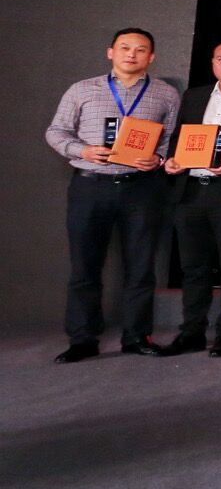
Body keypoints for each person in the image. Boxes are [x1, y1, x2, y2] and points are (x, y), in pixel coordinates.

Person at [46, 26, 182, 362]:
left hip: (141, 189)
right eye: (124, 48)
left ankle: (136, 337)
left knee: (141, 267)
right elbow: (56, 131)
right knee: (85, 266)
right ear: (111, 52)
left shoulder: (165, 94)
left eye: (140, 49)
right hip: (91, 185)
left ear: (151, 57)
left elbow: (170, 140)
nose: (131, 54)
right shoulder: (82, 89)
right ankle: (82, 339)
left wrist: (158, 159)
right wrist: (82, 150)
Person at [162, 37, 221, 356]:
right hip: (190, 190)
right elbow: (178, 137)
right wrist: (172, 160)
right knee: (193, 267)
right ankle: (191, 331)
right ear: (213, 63)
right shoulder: (194, 96)